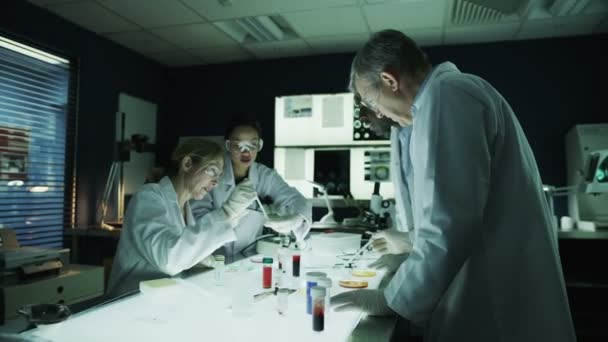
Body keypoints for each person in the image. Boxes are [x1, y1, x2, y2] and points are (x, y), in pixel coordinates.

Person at [331, 29, 576, 342]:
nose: (375, 111)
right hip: (475, 292)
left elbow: (450, 222)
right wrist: (410, 253)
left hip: (497, 303)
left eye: (371, 100)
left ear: (390, 80)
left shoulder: (450, 94)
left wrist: (393, 299)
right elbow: (447, 211)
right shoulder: (426, 114)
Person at [106, 138, 257, 297]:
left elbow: (183, 248)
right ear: (187, 164)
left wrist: (202, 259)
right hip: (129, 302)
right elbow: (169, 259)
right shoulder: (149, 197)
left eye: (219, 176)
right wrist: (227, 212)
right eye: (212, 171)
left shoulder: (185, 208)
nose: (215, 182)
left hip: (162, 300)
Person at [191, 115, 312, 256]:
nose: (246, 152)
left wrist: (296, 218)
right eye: (238, 145)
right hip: (210, 256)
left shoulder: (266, 176)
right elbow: (196, 220)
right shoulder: (212, 173)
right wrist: (227, 212)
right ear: (228, 145)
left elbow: (297, 200)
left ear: (259, 145)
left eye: (252, 144)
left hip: (248, 258)